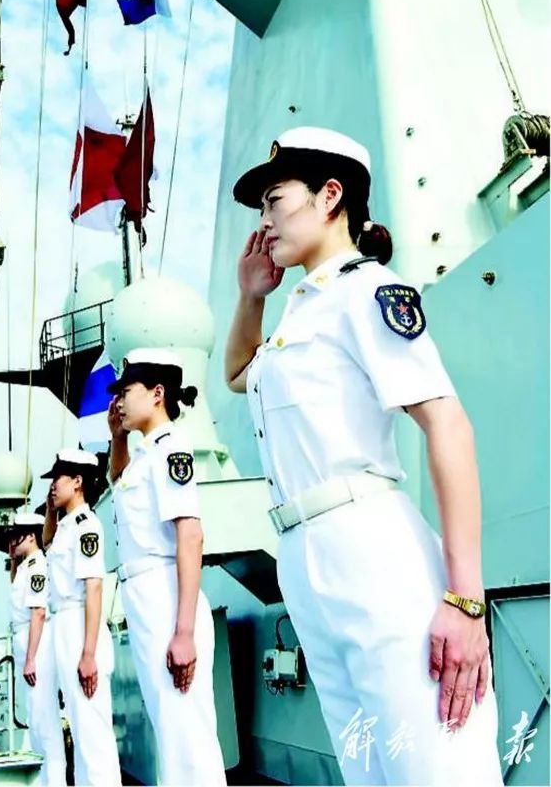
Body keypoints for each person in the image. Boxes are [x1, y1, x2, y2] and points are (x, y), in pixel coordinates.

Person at [225, 127, 504, 786]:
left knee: (437, 765)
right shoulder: (301, 311)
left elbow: (449, 426)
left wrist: (466, 601)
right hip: (305, 555)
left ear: (329, 195)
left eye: (273, 200)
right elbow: (239, 373)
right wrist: (251, 296)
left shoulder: (367, 291)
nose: (264, 222)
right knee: (371, 769)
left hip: (369, 548)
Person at [107, 348, 226, 787]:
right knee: (171, 730)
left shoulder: (171, 448)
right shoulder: (143, 453)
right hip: (145, 598)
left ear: (157, 394)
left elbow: (190, 535)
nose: (118, 401)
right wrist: (117, 437)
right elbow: (119, 482)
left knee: (187, 734)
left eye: (126, 391)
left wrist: (184, 632)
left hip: (164, 595)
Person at [42, 448, 121, 787]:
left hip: (80, 627)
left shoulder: (87, 526)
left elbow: (94, 587)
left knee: (92, 731)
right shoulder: (64, 527)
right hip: (64, 626)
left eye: (57, 479)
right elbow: (46, 542)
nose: (52, 486)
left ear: (77, 481)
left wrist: (88, 654)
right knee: (77, 722)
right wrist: (50, 509)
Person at [7, 512, 66, 786]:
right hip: (25, 641)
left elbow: (38, 612)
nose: (12, 542)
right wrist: (12, 560)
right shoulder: (24, 568)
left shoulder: (36, 566)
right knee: (36, 721)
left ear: (31, 536)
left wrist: (31, 659)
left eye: (16, 536)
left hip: (37, 646)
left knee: (46, 722)